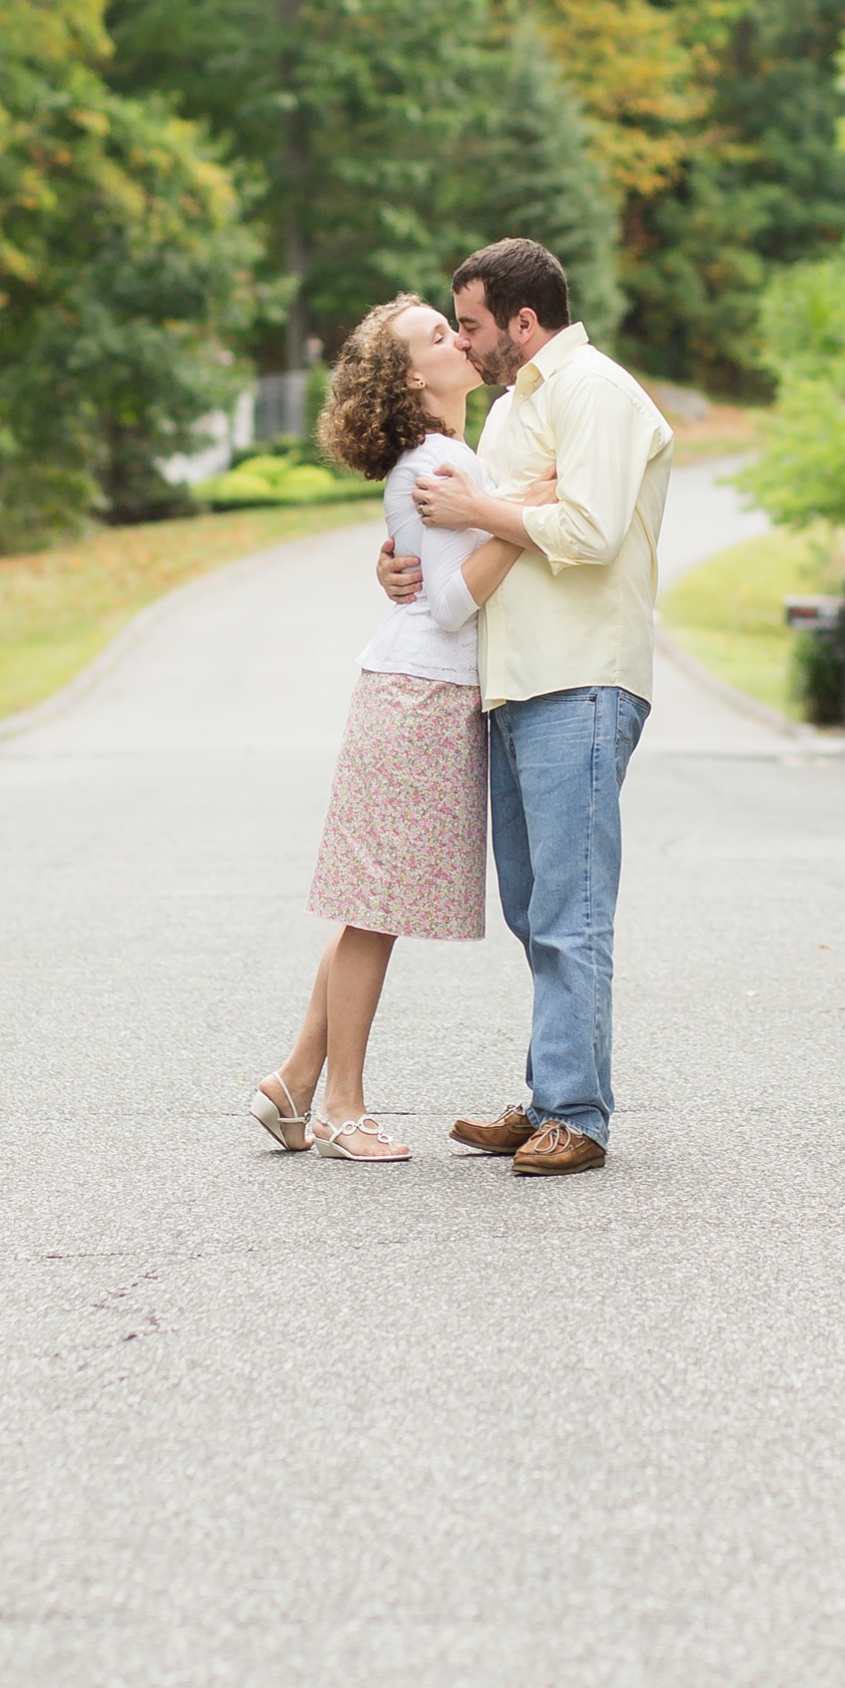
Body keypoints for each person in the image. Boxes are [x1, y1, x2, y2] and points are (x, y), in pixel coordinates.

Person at [386, 235, 673, 1178]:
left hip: (581, 675)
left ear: (522, 318)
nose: (463, 343)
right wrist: (402, 561)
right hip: (514, 680)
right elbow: (472, 535)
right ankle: (553, 1091)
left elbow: (587, 533)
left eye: (470, 324)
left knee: (572, 907)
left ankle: (578, 1117)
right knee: (536, 904)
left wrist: (484, 514)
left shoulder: (594, 391)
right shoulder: (514, 408)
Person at [249, 297, 550, 1165]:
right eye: (435, 334)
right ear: (413, 376)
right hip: (421, 692)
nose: (460, 337)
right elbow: (453, 605)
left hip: (415, 692)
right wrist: (529, 519)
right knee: (372, 911)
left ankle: (295, 1081)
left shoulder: (449, 452)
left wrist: (506, 508)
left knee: (368, 907)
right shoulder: (442, 457)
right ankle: (342, 1105)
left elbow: (430, 569)